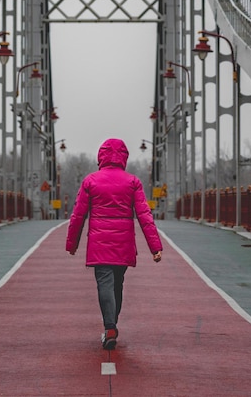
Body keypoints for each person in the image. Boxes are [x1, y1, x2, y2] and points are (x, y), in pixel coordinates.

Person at [65, 138, 163, 350]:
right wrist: (155, 248)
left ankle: (110, 326)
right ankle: (112, 324)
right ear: (124, 157)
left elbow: (78, 215)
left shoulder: (91, 181)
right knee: (117, 283)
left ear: (101, 156)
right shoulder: (132, 182)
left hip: (99, 244)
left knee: (104, 283)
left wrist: (72, 244)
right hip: (123, 243)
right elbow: (145, 215)